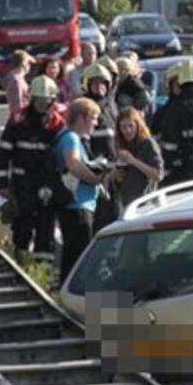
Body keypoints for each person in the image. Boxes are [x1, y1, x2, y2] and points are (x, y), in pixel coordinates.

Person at [0, 75, 62, 261]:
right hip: (22, 182)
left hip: (47, 183)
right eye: (39, 100)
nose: (42, 104)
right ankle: (20, 259)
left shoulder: (57, 124)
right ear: (32, 99)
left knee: (46, 226)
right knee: (23, 224)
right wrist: (2, 183)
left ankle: (43, 267)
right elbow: (4, 150)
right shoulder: (18, 121)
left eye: (46, 100)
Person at [55, 98, 107, 283]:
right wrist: (95, 179)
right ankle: (86, 305)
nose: (96, 123)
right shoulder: (71, 138)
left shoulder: (76, 139)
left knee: (73, 257)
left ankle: (68, 298)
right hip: (77, 205)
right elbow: (74, 164)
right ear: (81, 118)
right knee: (81, 258)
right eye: (93, 118)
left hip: (81, 205)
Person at [81, 63, 120, 231]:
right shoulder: (84, 108)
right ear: (87, 85)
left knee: (114, 216)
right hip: (95, 175)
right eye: (95, 84)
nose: (99, 88)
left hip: (113, 174)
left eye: (103, 83)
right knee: (97, 221)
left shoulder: (110, 106)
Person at [113, 107, 163, 212]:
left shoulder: (148, 144)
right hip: (126, 204)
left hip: (145, 204)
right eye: (124, 127)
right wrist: (116, 176)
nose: (128, 130)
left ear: (138, 125)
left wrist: (133, 161)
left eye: (131, 126)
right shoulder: (120, 145)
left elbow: (158, 175)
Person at [4, 50, 35, 124]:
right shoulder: (16, 81)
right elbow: (17, 104)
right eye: (29, 63)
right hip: (20, 119)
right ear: (23, 64)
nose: (29, 66)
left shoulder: (16, 78)